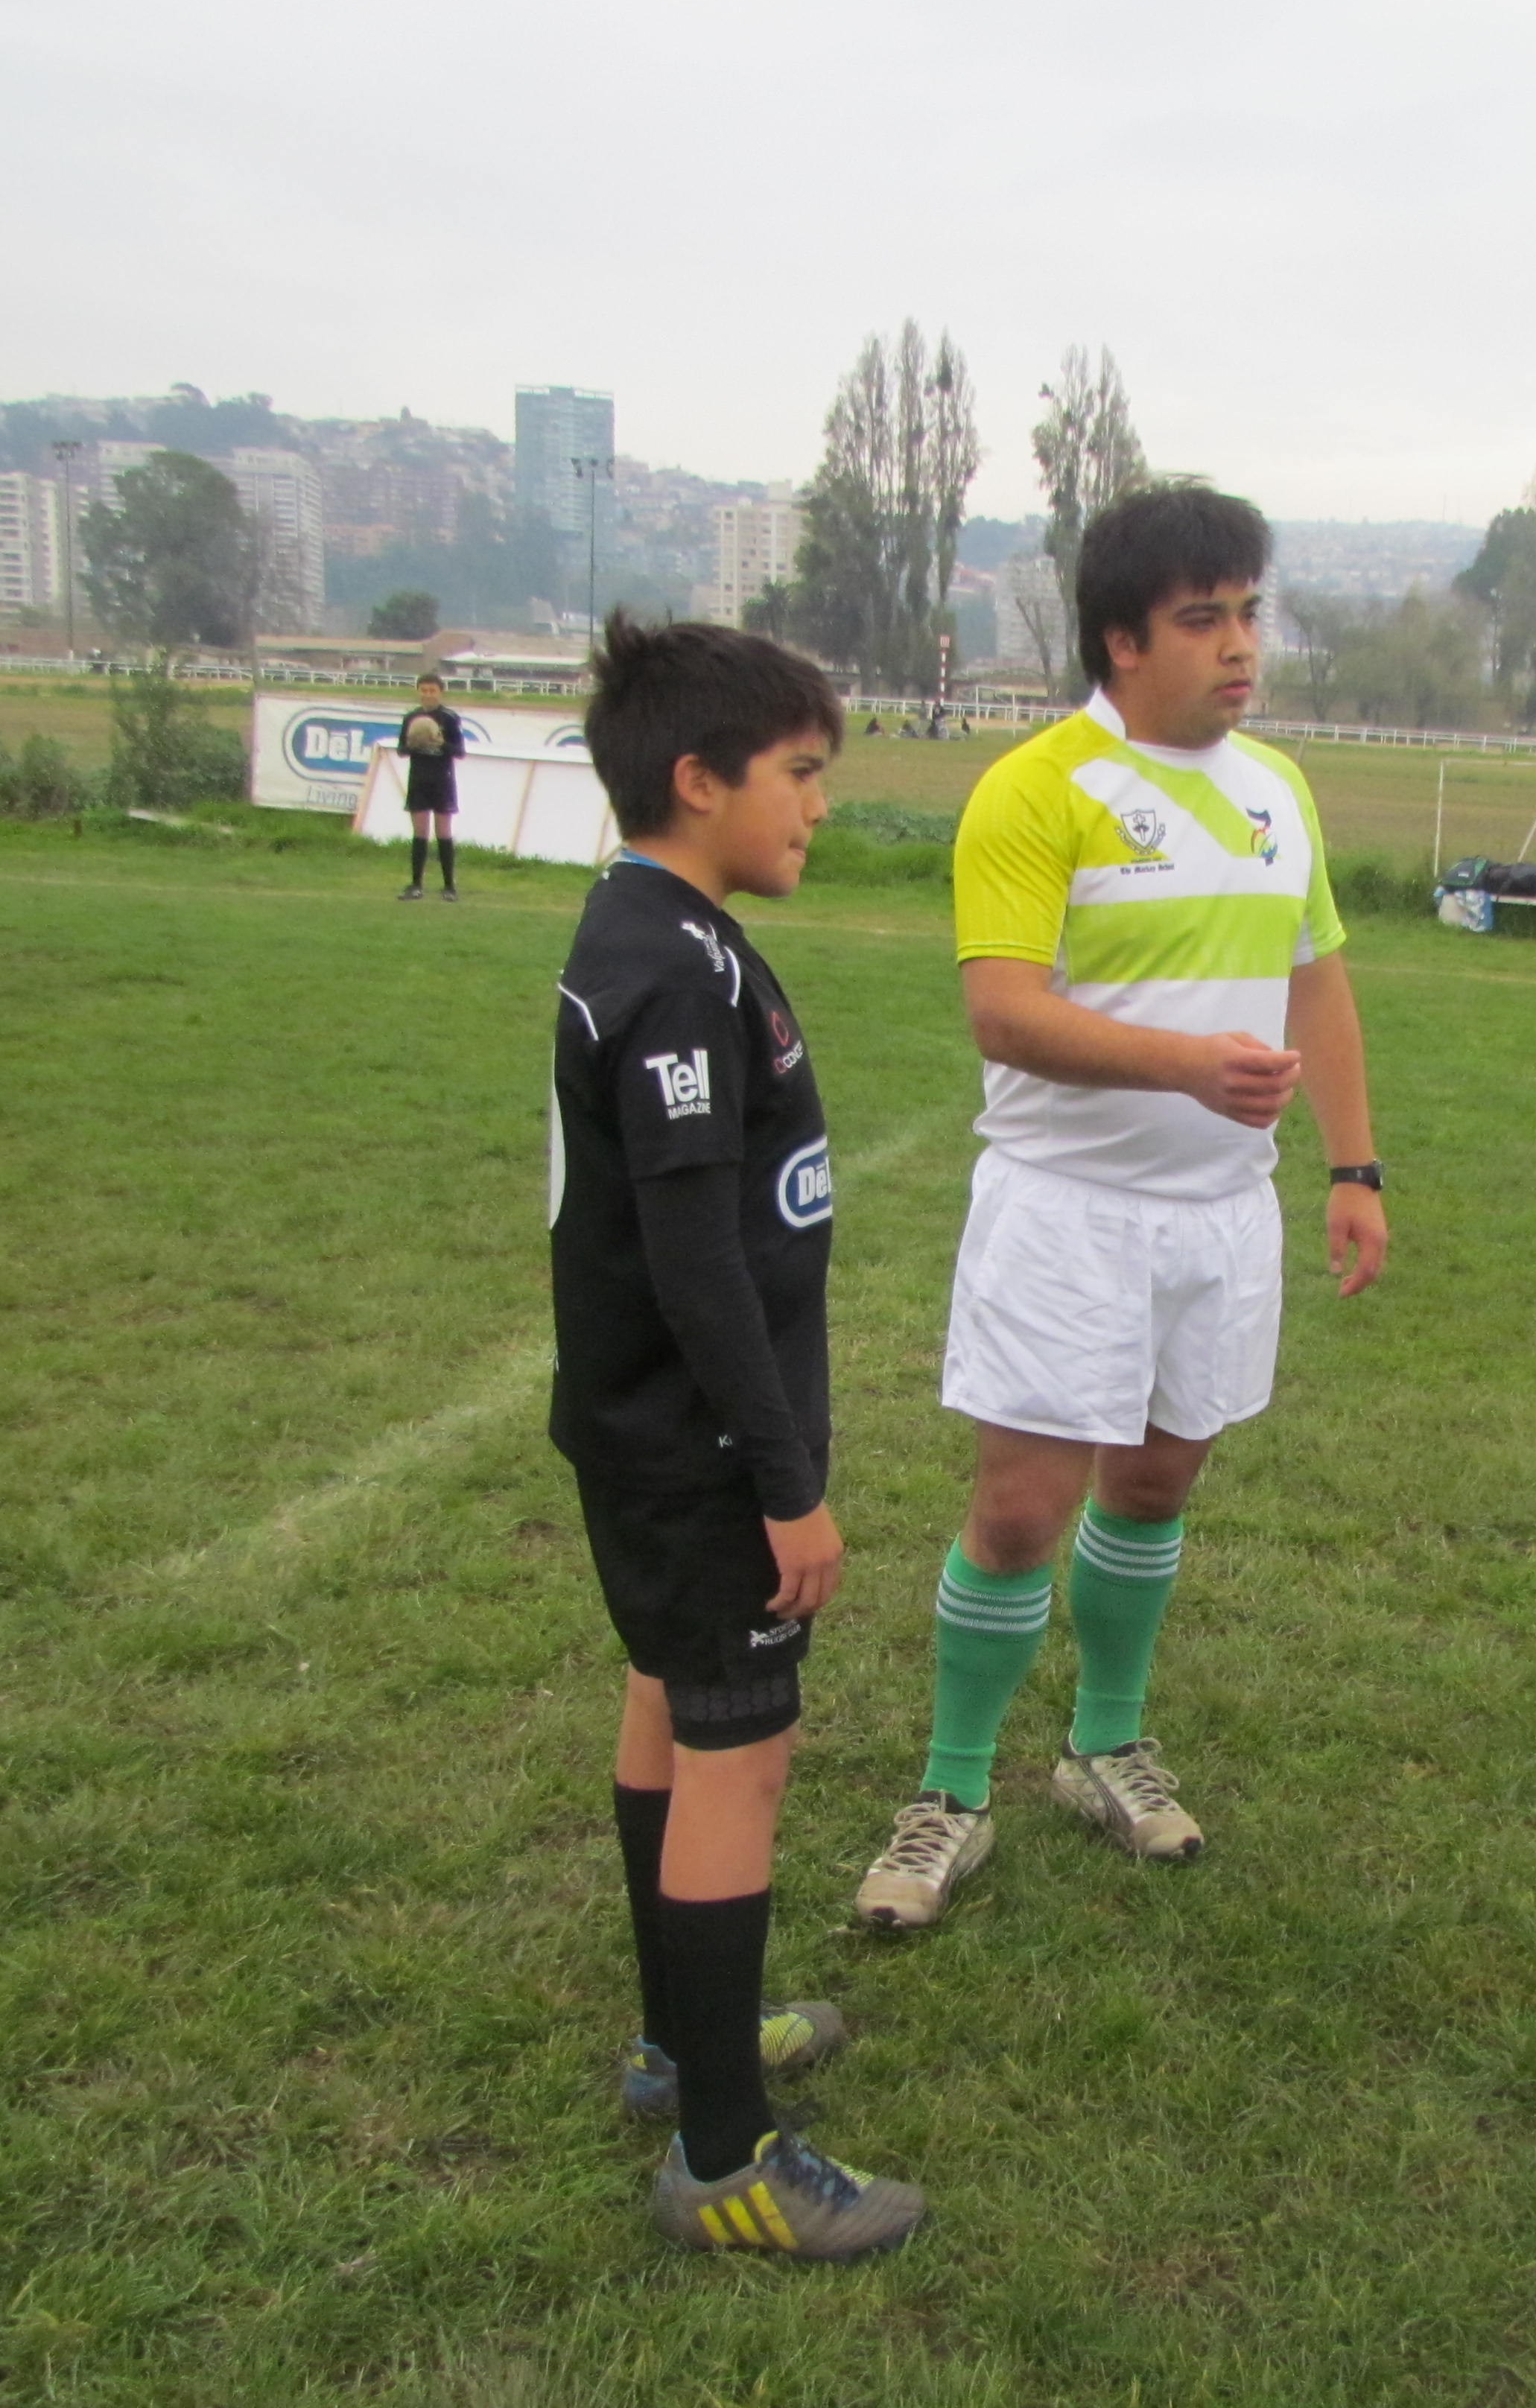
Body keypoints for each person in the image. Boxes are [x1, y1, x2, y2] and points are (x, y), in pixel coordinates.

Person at [851, 483, 1387, 1931]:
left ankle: (1105, 1746)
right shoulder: (1038, 790)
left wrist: (1352, 1167)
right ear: (1121, 640)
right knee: (1021, 1510)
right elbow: (1005, 1016)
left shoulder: (1279, 791)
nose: (1239, 647)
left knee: (1155, 1488)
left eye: (1249, 612)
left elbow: (1315, 974)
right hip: (1067, 1210)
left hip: (1222, 1215)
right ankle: (951, 1794)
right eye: (1203, 619)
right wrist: (1191, 1066)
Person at [549, 611, 923, 2262]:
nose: (816, 807)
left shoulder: (660, 933)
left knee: (666, 1703)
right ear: (697, 781)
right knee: (739, 1755)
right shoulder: (672, 971)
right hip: (700, 1451)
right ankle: (726, 2158)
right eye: (797, 775)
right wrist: (792, 1486)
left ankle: (678, 2041)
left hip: (648, 1436)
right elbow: (697, 1257)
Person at [394, 672, 466, 900]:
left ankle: (449, 887)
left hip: (442, 779)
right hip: (419, 778)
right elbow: (401, 751)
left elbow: (460, 752)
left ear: (440, 692)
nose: (427, 695)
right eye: (423, 690)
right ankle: (416, 885)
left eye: (432, 690)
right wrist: (414, 743)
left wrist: (441, 743)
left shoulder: (449, 718)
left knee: (443, 832)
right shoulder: (411, 718)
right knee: (420, 832)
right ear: (418, 692)